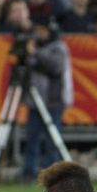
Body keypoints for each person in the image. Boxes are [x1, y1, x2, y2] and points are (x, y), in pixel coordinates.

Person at [20, 16, 73, 183]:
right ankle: (29, 173)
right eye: (37, 31)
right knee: (32, 139)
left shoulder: (59, 47)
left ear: (50, 31)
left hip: (53, 101)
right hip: (36, 101)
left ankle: (53, 176)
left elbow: (56, 67)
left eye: (42, 31)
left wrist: (35, 53)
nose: (39, 34)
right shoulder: (36, 48)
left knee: (52, 141)